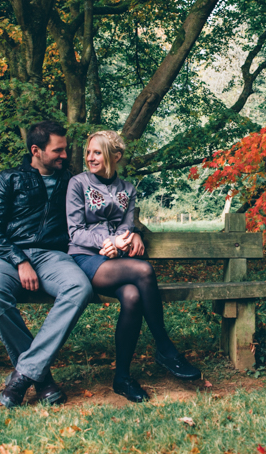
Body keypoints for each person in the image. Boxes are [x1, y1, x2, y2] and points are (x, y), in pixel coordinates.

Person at [66, 130, 201, 402]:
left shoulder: (128, 189)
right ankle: (164, 346)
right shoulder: (77, 184)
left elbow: (127, 224)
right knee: (144, 270)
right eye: (88, 152)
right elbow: (75, 231)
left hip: (117, 258)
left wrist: (130, 235)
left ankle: (122, 378)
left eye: (97, 153)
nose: (90, 158)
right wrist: (108, 241)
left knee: (132, 295)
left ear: (114, 157)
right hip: (86, 257)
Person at [0, 120, 96, 408]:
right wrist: (19, 260)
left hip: (52, 256)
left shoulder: (72, 182)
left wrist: (131, 231)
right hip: (9, 256)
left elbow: (104, 212)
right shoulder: (8, 179)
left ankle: (23, 374)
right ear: (36, 150)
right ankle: (41, 378)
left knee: (79, 287)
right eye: (58, 151)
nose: (65, 156)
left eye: (65, 150)